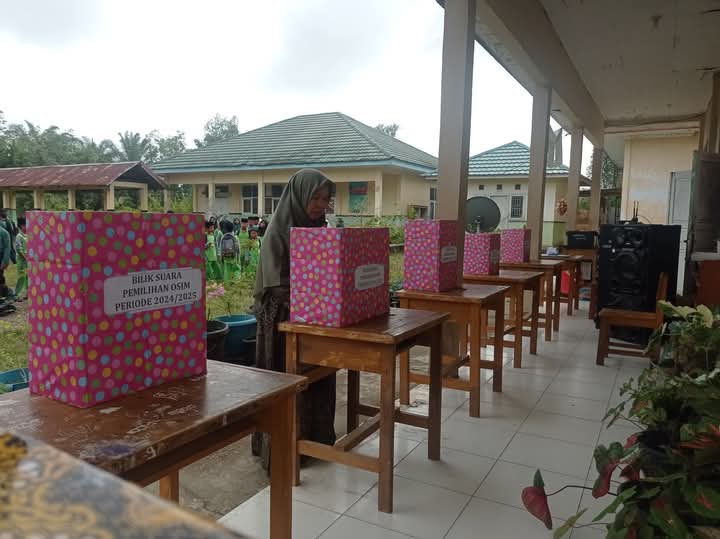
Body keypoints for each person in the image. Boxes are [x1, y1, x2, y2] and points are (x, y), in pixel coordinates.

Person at [251, 168, 335, 469]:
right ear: (299, 197)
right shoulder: (278, 232)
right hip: (281, 321)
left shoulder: (320, 230)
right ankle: (282, 451)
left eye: (325, 199)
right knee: (283, 383)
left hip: (313, 317)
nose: (321, 205)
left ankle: (315, 441)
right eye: (315, 197)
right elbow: (277, 284)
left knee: (316, 378)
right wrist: (316, 295)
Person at [13, 217, 27, 301]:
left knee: (28, 277)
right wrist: (25, 258)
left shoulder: (27, 235)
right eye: (25, 225)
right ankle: (17, 295)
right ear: (22, 226)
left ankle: (27, 293)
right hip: (21, 260)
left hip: (27, 260)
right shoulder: (19, 236)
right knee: (21, 277)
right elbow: (19, 249)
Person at [0, 222, 11, 300]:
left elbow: (7, 248)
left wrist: (5, 261)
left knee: (0, 277)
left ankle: (3, 294)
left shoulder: (4, 233)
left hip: (1, 257)